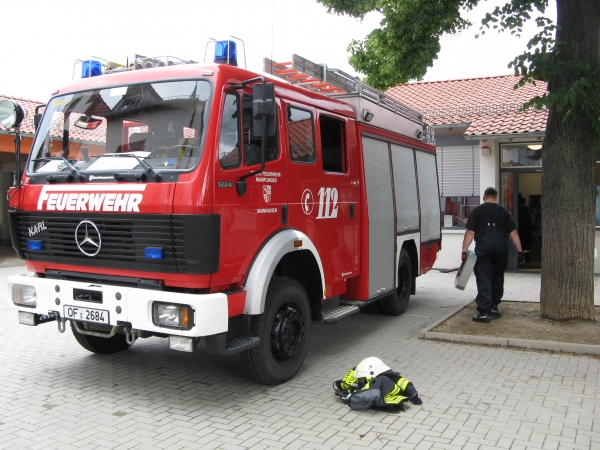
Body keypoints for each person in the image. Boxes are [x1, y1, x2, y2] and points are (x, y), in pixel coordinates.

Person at [461, 187, 525, 323]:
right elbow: (513, 234)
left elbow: (470, 233)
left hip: (483, 248)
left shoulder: (477, 211)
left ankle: (484, 312)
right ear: (496, 198)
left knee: (484, 276)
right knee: (498, 276)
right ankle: (494, 306)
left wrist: (464, 251)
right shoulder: (504, 212)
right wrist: (520, 252)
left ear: (484, 197)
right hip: (501, 248)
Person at [333, 357, 422, 412]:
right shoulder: (387, 375)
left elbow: (372, 393)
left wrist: (350, 398)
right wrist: (414, 397)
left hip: (390, 395)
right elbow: (407, 384)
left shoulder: (382, 379)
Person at [517, 197, 535, 262]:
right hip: (528, 227)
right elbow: (533, 217)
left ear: (519, 202)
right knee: (528, 243)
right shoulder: (529, 209)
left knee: (521, 242)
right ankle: (527, 258)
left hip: (520, 227)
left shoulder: (517, 209)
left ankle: (521, 257)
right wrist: (533, 225)